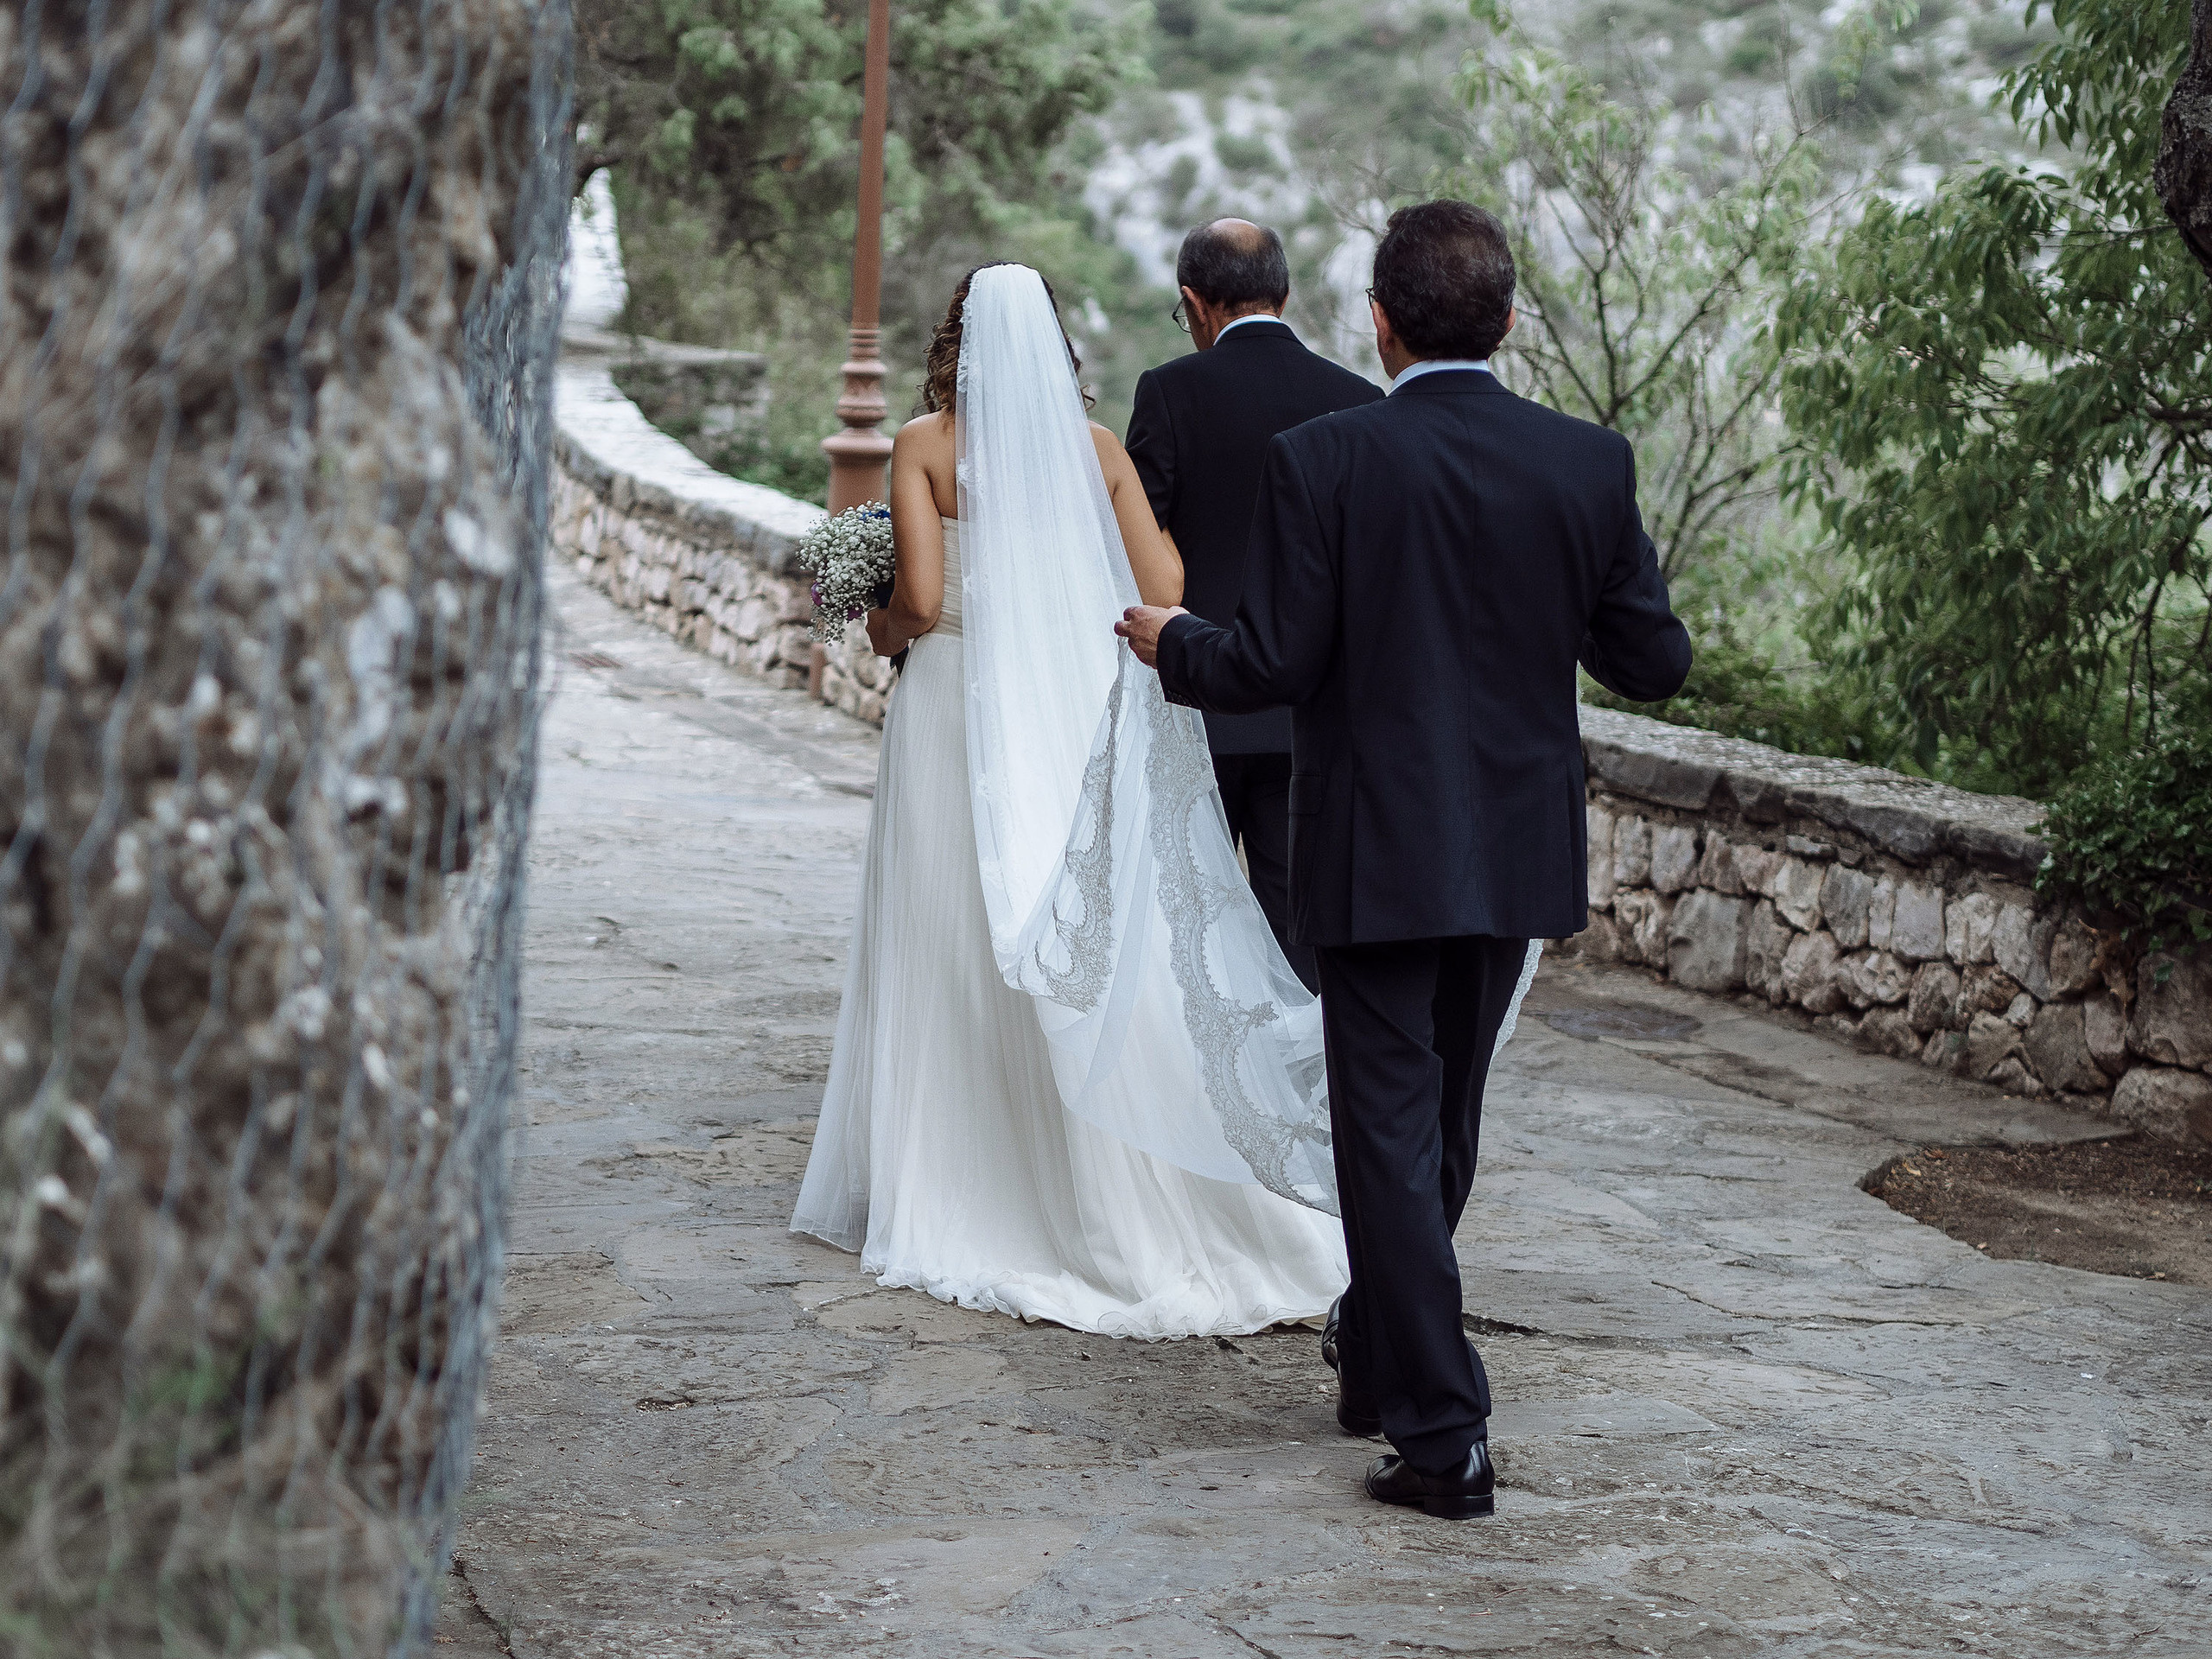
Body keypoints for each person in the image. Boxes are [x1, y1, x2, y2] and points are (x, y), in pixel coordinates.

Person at [1117, 200, 1693, 1517]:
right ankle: (1380, 1363)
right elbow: (1654, 661)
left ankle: (1445, 1437)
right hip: (1510, 849)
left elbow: (1275, 661)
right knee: (1441, 1124)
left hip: (1377, 847)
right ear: (1505, 320)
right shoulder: (1585, 463)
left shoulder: (1327, 459)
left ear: (1379, 324)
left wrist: (1173, 644)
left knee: (1387, 1133)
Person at [791, 263, 1351, 1339]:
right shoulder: (1095, 455)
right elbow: (1166, 590)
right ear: (1054, 345)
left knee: (951, 928)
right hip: (1065, 706)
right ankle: (1132, 1168)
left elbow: (915, 597)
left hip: (954, 705)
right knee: (1070, 916)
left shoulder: (922, 445)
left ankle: (957, 1169)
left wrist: (877, 625)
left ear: (953, 341)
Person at [1124, 219, 1383, 991]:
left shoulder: (1170, 391)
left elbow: (1133, 539)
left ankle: (1201, 1099)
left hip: (1196, 696)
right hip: (1309, 707)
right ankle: (1298, 1095)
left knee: (1186, 925)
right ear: (1286, 293)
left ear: (1195, 303)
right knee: (1294, 931)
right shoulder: (1358, 400)